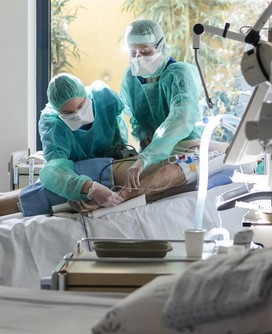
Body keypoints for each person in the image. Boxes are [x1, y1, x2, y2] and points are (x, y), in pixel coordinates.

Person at [119, 19, 228, 192]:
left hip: (185, 144)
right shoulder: (131, 77)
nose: (139, 57)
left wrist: (146, 158)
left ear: (160, 45)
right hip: (153, 150)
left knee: (160, 180)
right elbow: (134, 112)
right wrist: (142, 133)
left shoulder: (178, 74)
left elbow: (181, 118)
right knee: (136, 183)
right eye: (133, 53)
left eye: (146, 51)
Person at [0, 73, 128, 217]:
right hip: (73, 173)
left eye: (81, 106)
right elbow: (54, 171)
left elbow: (118, 131)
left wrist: (122, 152)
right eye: (68, 113)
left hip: (110, 164)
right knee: (38, 196)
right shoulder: (52, 124)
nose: (78, 114)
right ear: (58, 112)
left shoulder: (104, 98)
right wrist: (88, 188)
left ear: (87, 96)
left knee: (33, 193)